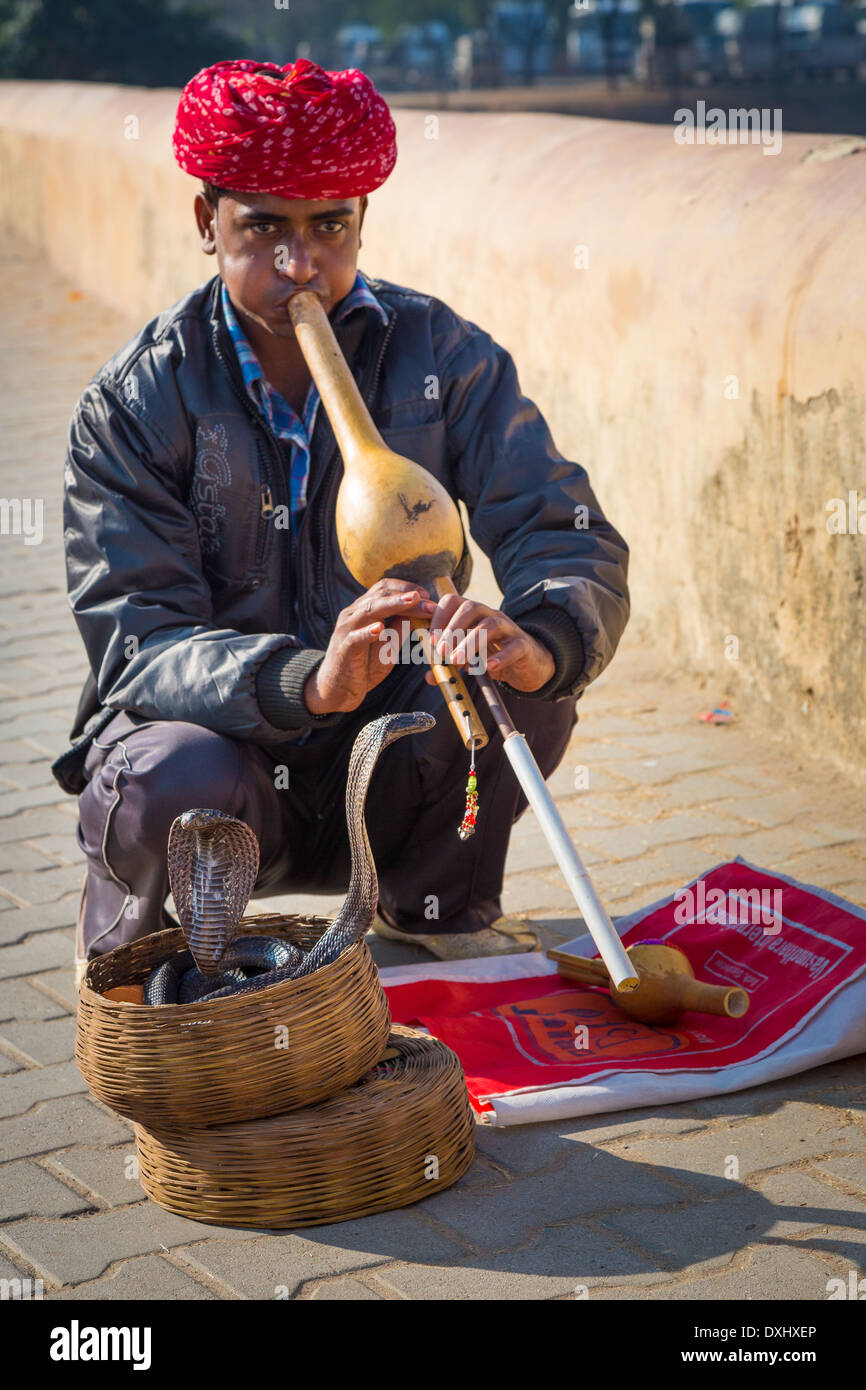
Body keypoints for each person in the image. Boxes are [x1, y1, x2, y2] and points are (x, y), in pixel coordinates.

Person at [54, 58, 630, 984]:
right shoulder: (136, 402)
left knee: (516, 687)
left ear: (364, 219)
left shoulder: (443, 354)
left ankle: (431, 911)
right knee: (168, 776)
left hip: (387, 749)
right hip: (229, 758)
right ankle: (165, 953)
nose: (300, 263)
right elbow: (138, 637)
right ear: (208, 222)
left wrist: (547, 636)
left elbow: (562, 527)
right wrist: (305, 681)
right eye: (263, 228)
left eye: (330, 225)